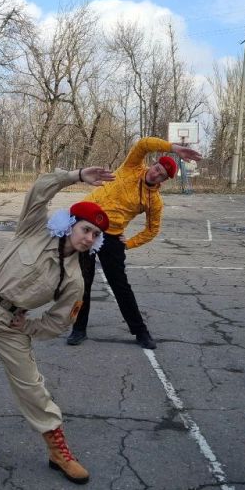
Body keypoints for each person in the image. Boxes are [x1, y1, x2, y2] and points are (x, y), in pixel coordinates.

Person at [0, 166, 115, 486]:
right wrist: (77, 176)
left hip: (12, 324)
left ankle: (58, 452)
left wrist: (30, 328)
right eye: (85, 229)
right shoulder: (34, 229)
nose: (89, 237)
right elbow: (40, 191)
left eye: (95, 235)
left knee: (31, 387)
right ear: (70, 225)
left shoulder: (74, 279)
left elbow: (59, 321)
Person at [65, 137, 202, 349]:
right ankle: (78, 328)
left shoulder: (154, 201)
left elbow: (152, 230)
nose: (156, 173)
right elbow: (143, 144)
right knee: (82, 283)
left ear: (163, 181)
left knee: (121, 287)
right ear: (153, 164)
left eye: (161, 175)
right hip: (86, 227)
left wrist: (128, 243)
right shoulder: (132, 166)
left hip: (111, 237)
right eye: (157, 168)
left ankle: (140, 331)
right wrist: (173, 148)